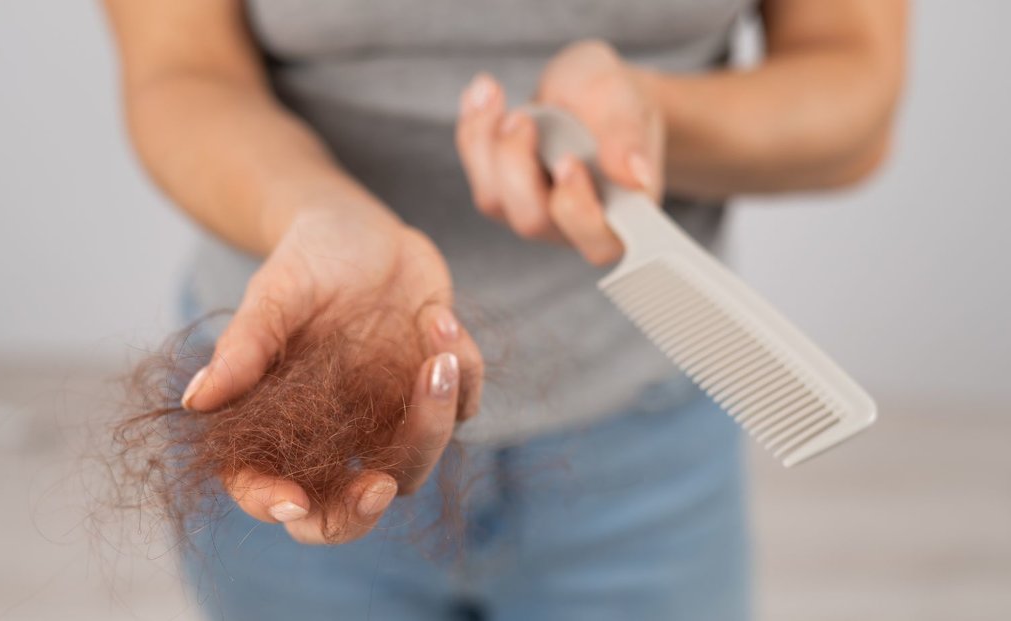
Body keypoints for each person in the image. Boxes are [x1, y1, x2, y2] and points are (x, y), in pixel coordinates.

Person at [103, 1, 906, 619]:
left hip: (640, 424)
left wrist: (654, 115)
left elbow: (853, 89)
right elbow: (181, 69)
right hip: (302, 405)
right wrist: (311, 208)